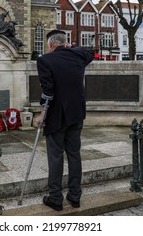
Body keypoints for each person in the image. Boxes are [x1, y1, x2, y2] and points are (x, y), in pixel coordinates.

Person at [36, 29, 94, 211]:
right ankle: (75, 196)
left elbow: (48, 92)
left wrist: (41, 115)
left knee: (55, 157)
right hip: (76, 114)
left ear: (51, 45)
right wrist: (72, 46)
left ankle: (56, 198)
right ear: (65, 43)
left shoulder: (45, 60)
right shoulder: (78, 57)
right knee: (74, 155)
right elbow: (89, 52)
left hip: (56, 117)